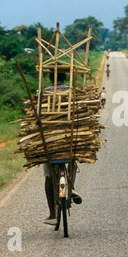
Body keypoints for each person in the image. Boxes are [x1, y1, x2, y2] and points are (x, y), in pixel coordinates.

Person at [42, 72, 82, 225]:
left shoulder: (44, 93)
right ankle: (70, 187)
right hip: (68, 137)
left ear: (50, 78)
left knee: (48, 176)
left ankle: (52, 214)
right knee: (72, 159)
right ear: (65, 78)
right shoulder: (72, 93)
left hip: (50, 141)